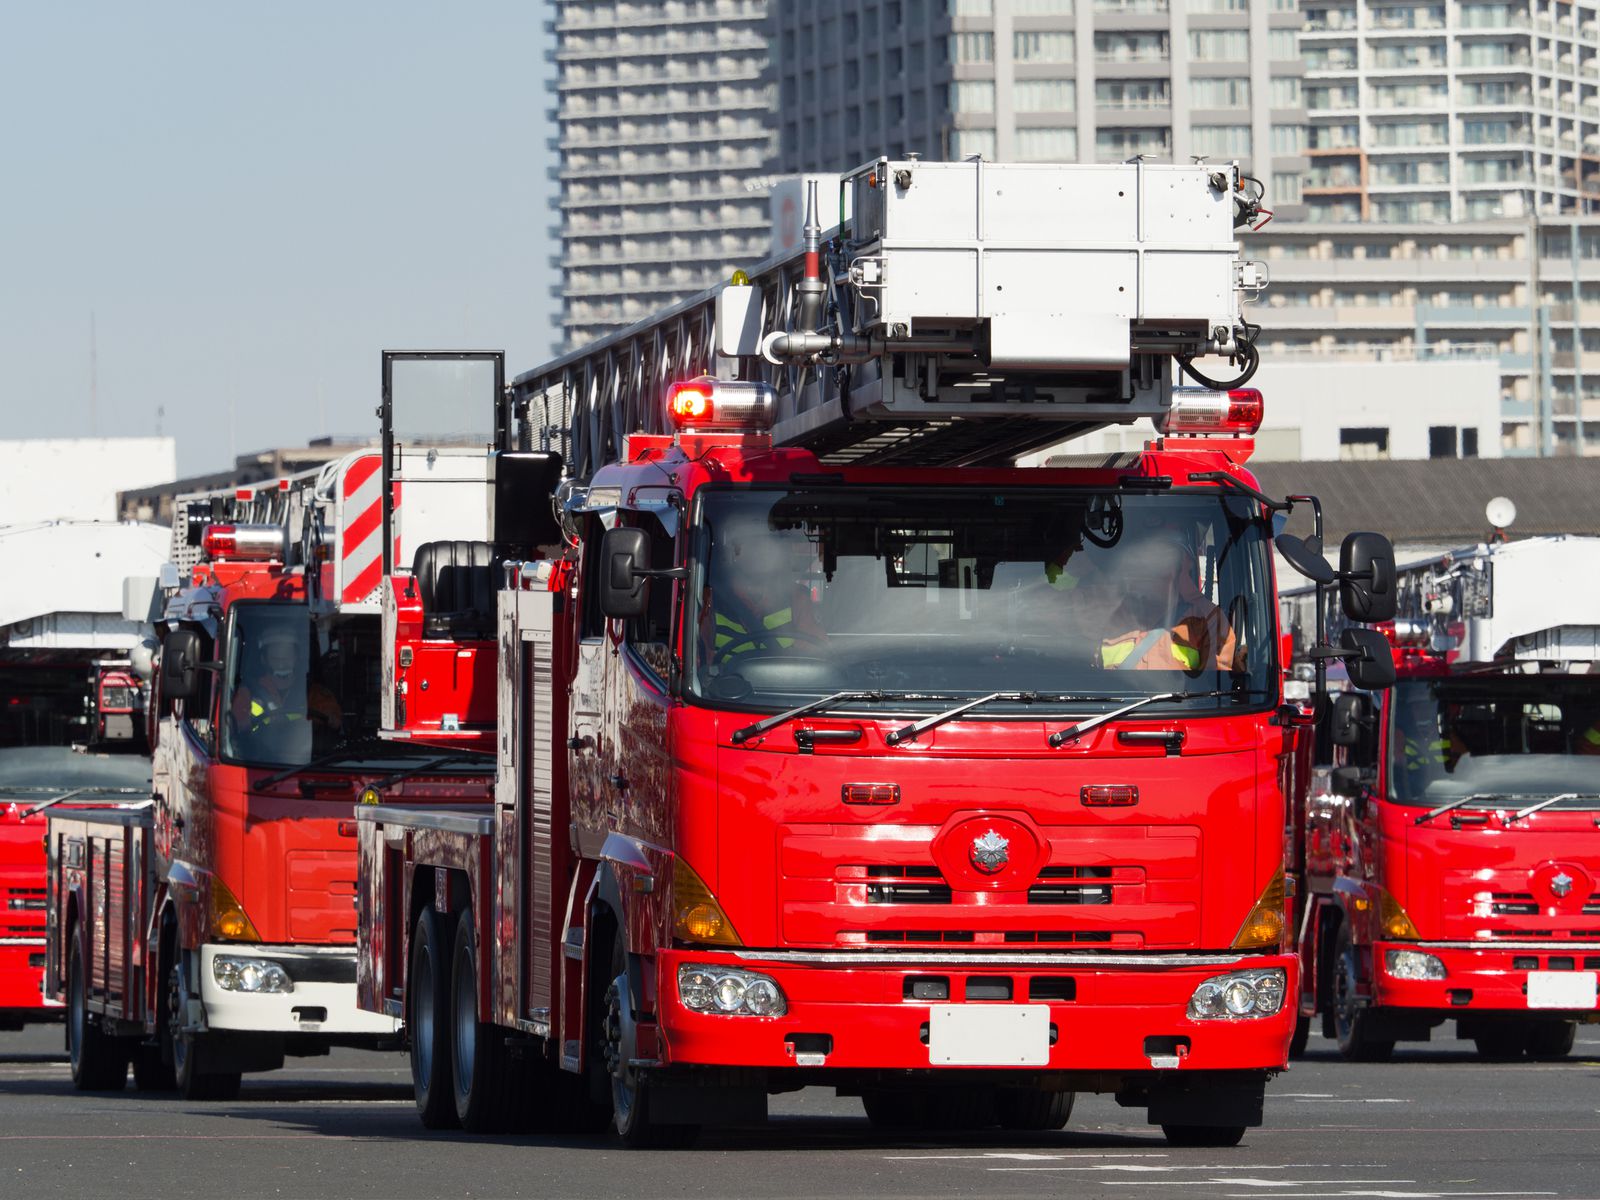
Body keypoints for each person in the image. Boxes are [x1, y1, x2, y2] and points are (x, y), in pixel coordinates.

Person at [1097, 533, 1238, 674]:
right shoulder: (1108, 612)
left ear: (1181, 569)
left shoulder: (1209, 619)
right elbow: (1085, 671)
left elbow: (1218, 686)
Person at [700, 516, 825, 668]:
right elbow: (700, 661)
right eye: (749, 544)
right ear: (734, 553)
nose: (758, 552)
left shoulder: (797, 597)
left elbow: (815, 660)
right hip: (724, 689)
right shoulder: (711, 599)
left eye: (765, 544)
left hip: (781, 688)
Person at [230, 625, 341, 744]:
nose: (282, 665)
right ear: (264, 660)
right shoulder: (247, 693)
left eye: (287, 658)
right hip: (259, 757)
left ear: (296, 658)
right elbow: (238, 729)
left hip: (303, 758)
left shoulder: (313, 693)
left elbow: (334, 722)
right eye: (276, 659)